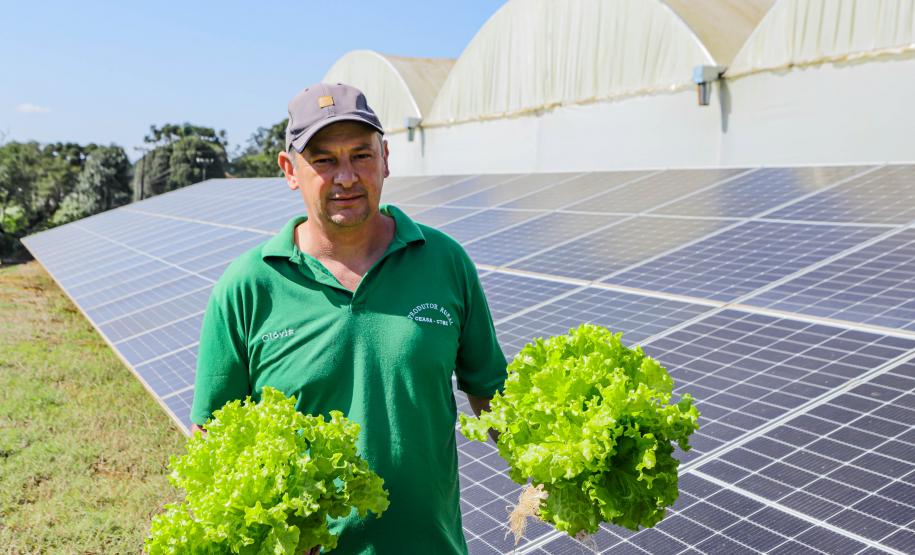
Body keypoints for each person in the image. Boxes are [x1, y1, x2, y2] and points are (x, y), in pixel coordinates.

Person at [190, 83, 507, 554]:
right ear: (289, 171)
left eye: (361, 155)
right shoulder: (247, 287)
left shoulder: (444, 261)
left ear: (386, 159)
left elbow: (492, 395)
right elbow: (213, 441)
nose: (346, 178)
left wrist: (561, 455)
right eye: (323, 160)